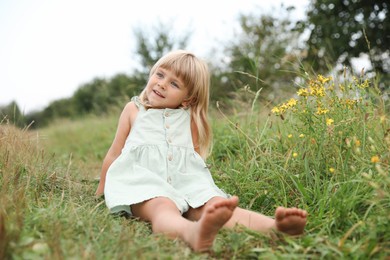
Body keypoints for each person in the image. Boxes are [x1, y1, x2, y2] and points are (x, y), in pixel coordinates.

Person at [95, 50, 307, 252]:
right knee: (162, 206)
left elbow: (192, 160)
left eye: (174, 83)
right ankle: (192, 232)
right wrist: (102, 191)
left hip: (184, 181)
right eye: (160, 74)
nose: (162, 84)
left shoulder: (189, 119)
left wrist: (202, 192)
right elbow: (115, 153)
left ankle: (276, 229)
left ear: (188, 99)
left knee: (214, 205)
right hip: (144, 183)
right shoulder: (134, 110)